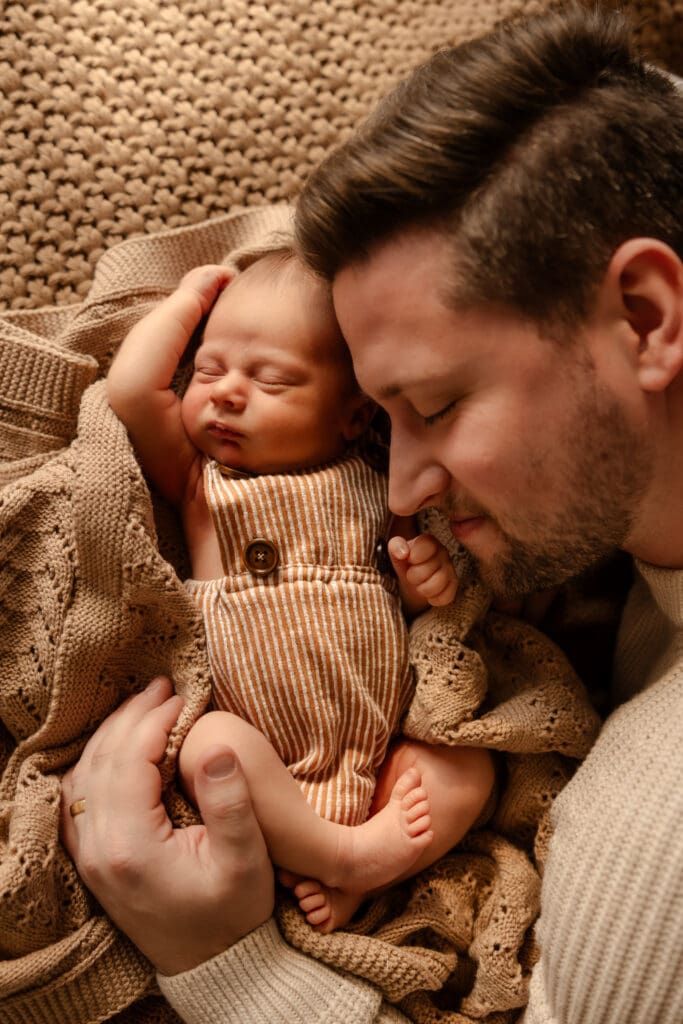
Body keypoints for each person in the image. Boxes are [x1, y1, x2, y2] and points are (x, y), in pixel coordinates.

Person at [61, 5, 683, 1023]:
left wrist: (231, 966)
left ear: (646, 317)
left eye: (433, 408)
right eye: (384, 419)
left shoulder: (647, 862)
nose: (397, 492)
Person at [104, 246, 494, 932]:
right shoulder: (202, 486)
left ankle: (368, 867)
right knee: (209, 746)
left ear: (353, 417)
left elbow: (409, 610)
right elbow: (134, 390)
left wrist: (421, 581)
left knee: (467, 767)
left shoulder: (383, 487)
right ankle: (342, 855)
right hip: (261, 753)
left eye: (271, 380)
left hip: (378, 749)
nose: (226, 392)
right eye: (209, 369)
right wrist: (190, 300)